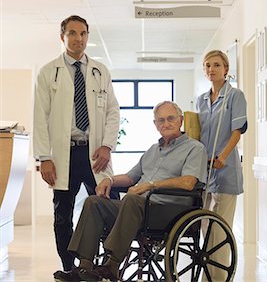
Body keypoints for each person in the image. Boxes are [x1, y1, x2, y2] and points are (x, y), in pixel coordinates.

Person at [53, 101, 208, 282]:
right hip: (138, 208)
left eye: (170, 118)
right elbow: (130, 177)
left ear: (180, 120)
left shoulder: (195, 148)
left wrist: (151, 185)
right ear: (155, 125)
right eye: (161, 120)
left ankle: (111, 265)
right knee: (94, 202)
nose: (166, 123)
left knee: (131, 200)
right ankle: (84, 268)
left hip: (168, 211)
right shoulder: (152, 150)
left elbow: (189, 182)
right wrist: (109, 180)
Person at [33, 15, 120, 276]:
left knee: (110, 206)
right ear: (63, 37)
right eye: (72, 33)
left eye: (82, 33)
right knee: (63, 215)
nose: (78, 38)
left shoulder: (100, 70)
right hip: (63, 154)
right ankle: (70, 268)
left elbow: (113, 112)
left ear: (87, 36)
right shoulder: (49, 72)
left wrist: (106, 145)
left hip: (95, 154)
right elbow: (40, 116)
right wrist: (44, 157)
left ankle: (106, 265)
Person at [196, 50, 247, 281]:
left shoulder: (235, 96)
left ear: (226, 69)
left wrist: (223, 156)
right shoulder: (201, 100)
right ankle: (208, 277)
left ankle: (219, 279)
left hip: (225, 171)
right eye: (207, 66)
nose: (211, 69)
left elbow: (237, 132)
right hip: (205, 172)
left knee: (220, 230)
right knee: (205, 227)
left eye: (216, 65)